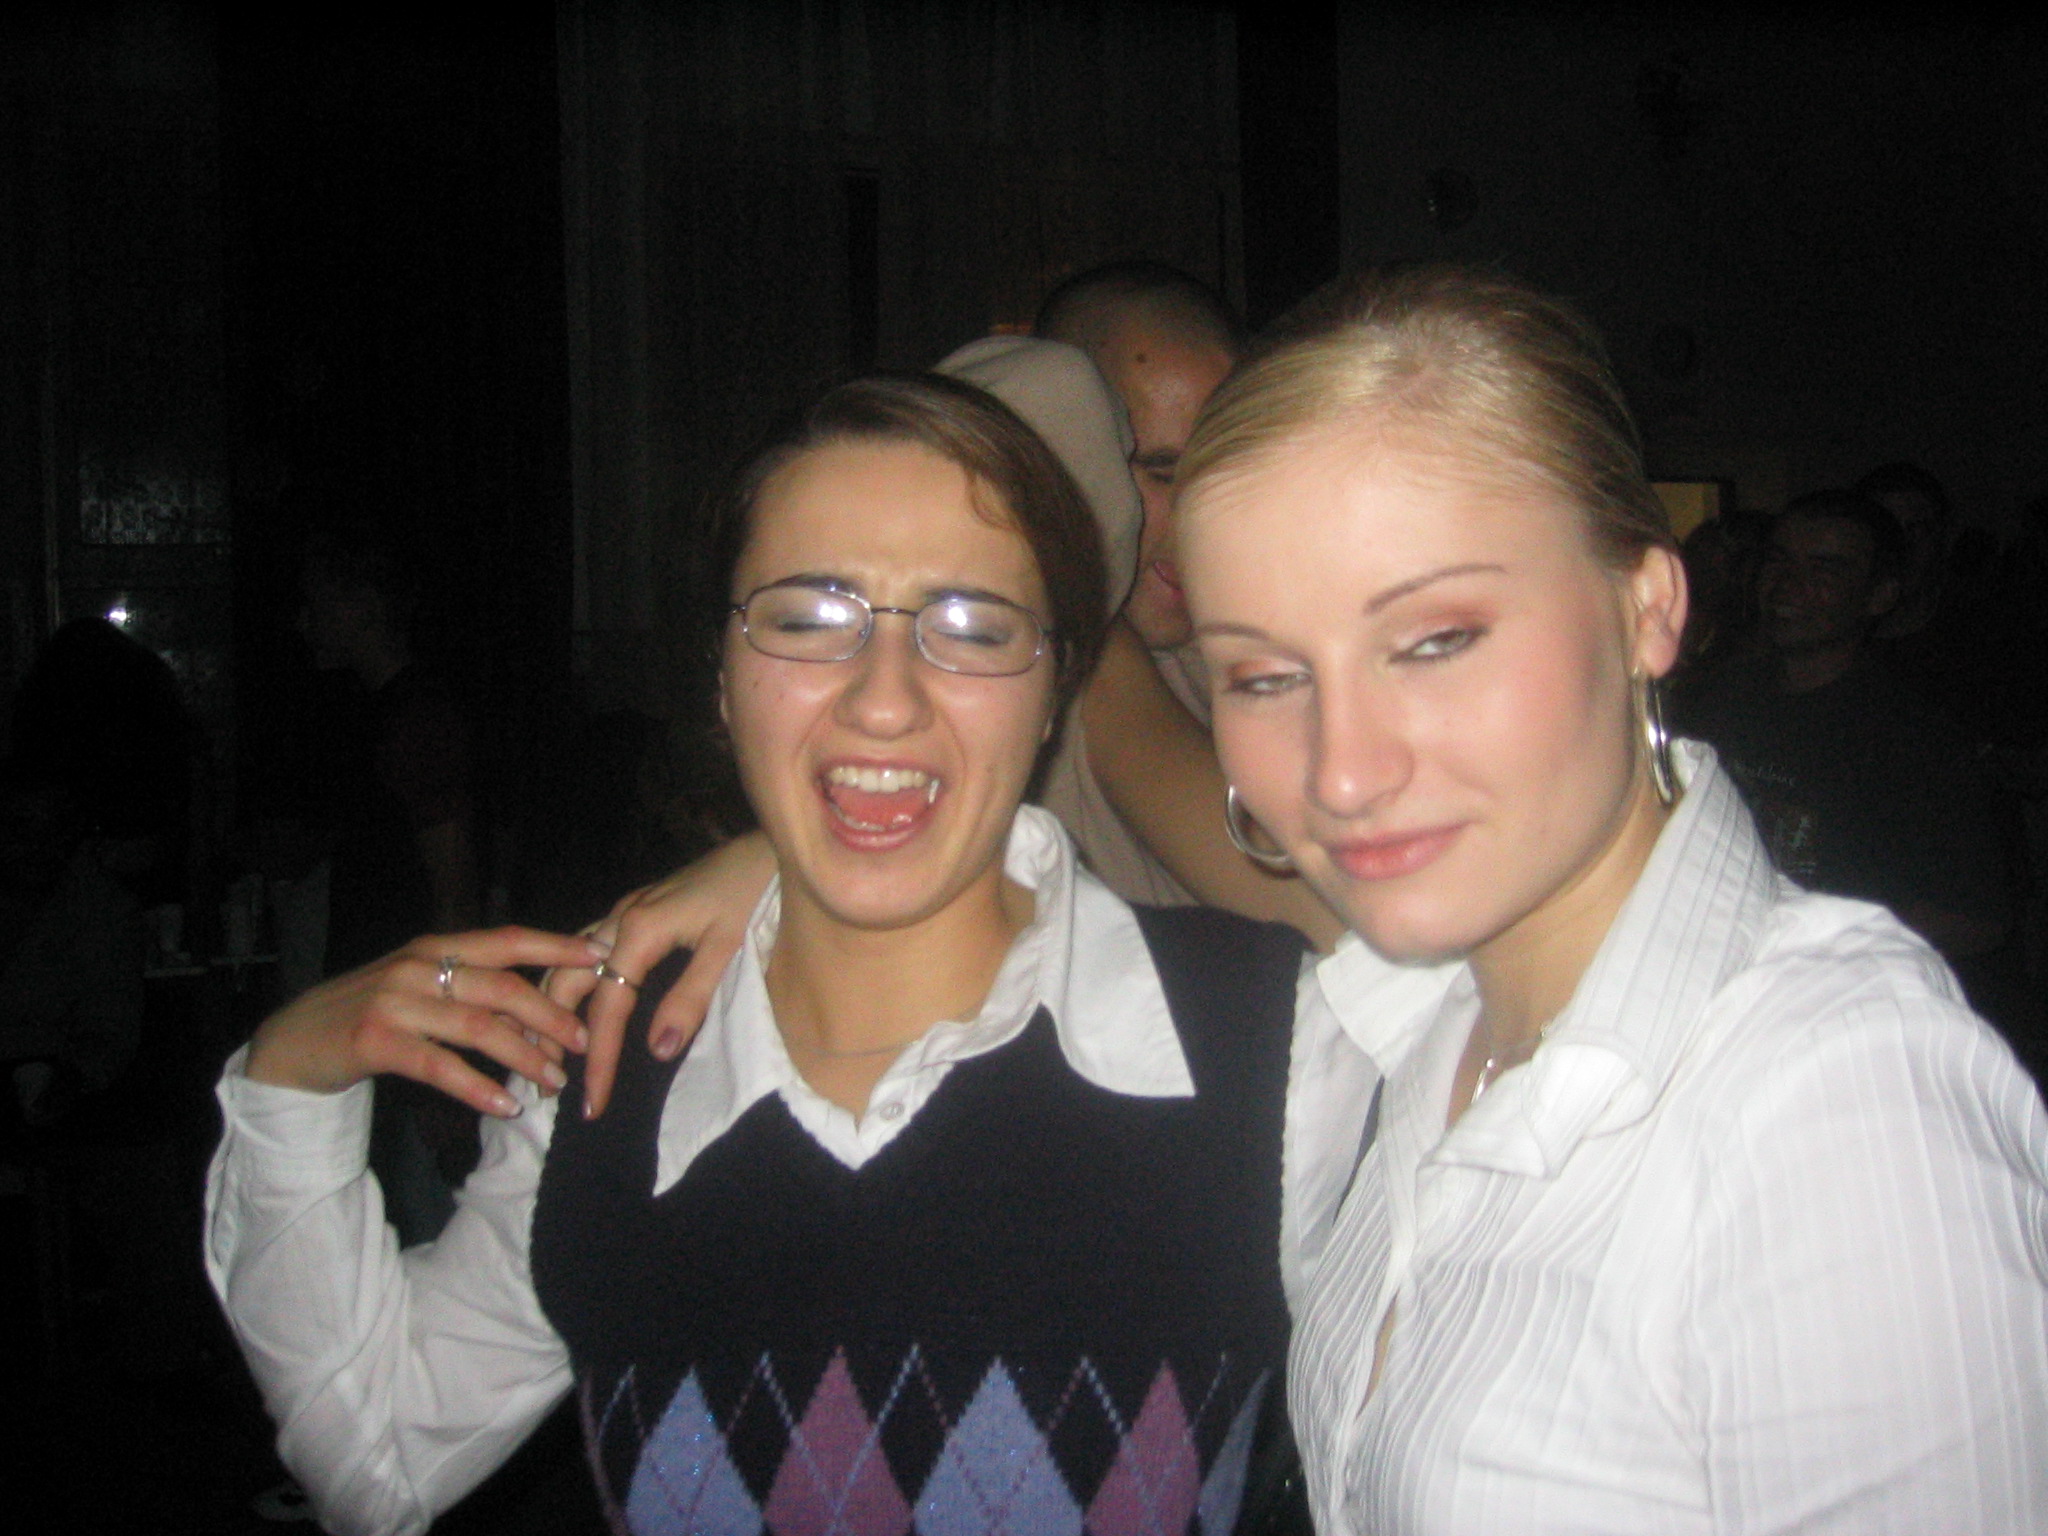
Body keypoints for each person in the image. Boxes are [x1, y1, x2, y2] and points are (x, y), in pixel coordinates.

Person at [580, 267, 2048, 1533]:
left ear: (1646, 605)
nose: (1343, 772)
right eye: (1266, 674)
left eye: (1436, 638)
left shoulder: (1834, 1100)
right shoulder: (1433, 1015)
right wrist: (805, 857)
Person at [205, 373, 1300, 1536]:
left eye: (972, 626)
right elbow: (378, 1453)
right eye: (807, 619)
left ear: (1054, 689)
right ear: (722, 680)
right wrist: (288, 1081)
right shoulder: (612, 1072)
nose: (883, 700)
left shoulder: (1270, 1045)